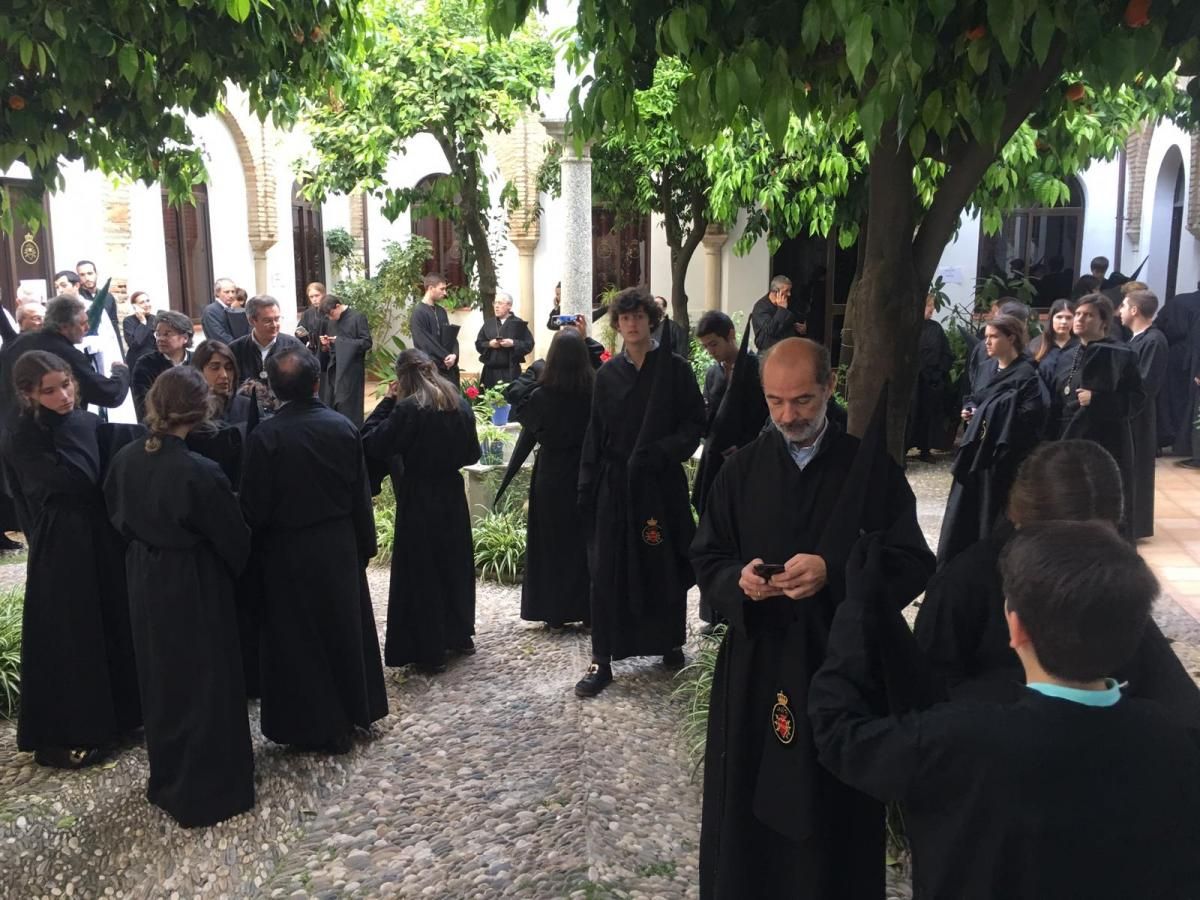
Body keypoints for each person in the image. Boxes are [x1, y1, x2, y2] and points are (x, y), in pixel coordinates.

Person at [810, 522, 1200, 900]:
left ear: (1015, 628)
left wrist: (857, 607)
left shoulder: (957, 739)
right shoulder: (1174, 741)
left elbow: (839, 734)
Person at [689, 337, 935, 899]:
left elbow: (913, 562)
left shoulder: (868, 471)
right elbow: (707, 555)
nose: (787, 416)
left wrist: (837, 572)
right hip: (759, 662)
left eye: (801, 400)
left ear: (829, 389)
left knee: (834, 808)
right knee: (752, 802)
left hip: (840, 662)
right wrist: (739, 581)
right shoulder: (742, 470)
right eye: (775, 402)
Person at [915, 440, 1200, 722]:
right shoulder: (966, 580)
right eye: (1057, 548)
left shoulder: (1110, 577)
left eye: (1093, 543)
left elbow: (1174, 698)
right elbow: (925, 688)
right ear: (1020, 521)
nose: (1073, 566)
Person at [103, 367, 254, 828]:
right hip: (194, 579)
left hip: (144, 575)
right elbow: (234, 537)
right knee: (206, 678)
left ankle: (168, 777)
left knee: (162, 676)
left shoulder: (127, 458)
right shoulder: (198, 470)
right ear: (200, 408)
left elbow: (114, 513)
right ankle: (210, 787)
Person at [240, 348, 387, 752]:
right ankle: (355, 709)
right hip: (337, 542)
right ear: (317, 383)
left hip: (287, 549)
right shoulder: (341, 427)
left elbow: (253, 506)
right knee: (342, 628)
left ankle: (314, 725)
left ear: (272, 388)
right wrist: (365, 543)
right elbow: (360, 493)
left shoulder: (266, 436)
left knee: (298, 639)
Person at [1, 350, 142, 769]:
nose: (64, 395)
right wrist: (84, 431)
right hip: (61, 542)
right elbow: (71, 479)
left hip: (99, 533)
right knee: (72, 633)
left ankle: (123, 716)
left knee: (111, 619)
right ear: (28, 394)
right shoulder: (22, 434)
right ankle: (75, 729)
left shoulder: (81, 420)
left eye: (67, 385)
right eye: (51, 390)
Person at [575, 288, 705, 698]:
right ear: (617, 325)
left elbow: (693, 424)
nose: (632, 324)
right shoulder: (608, 376)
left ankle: (669, 640)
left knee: (661, 561)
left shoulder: (676, 370)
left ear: (651, 320)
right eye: (624, 318)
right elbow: (595, 433)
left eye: (638, 317)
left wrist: (662, 452)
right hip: (616, 487)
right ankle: (603, 658)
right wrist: (587, 485)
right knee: (607, 570)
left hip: (658, 486)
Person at [361, 350, 481, 671]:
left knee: (423, 570)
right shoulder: (458, 403)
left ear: (401, 379)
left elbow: (371, 442)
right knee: (453, 563)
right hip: (452, 494)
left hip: (419, 494)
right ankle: (458, 635)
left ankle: (430, 649)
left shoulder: (409, 409)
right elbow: (473, 452)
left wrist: (386, 403)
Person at [936, 314, 1046, 566]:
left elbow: (1030, 416)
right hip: (975, 455)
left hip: (1001, 460)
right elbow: (975, 397)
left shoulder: (1027, 373)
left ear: (1011, 338)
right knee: (963, 516)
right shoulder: (986, 367)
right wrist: (970, 411)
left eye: (994, 337)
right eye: (986, 337)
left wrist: (992, 413)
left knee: (990, 515)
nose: (987, 342)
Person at [509, 330, 593, 630]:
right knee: (583, 541)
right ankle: (587, 610)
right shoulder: (593, 392)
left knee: (551, 542)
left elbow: (516, 399)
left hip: (553, 472)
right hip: (585, 470)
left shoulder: (541, 397)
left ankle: (554, 611)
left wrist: (537, 370)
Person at [1049, 293, 1144, 536]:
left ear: (1103, 322)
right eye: (1078, 314)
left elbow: (1136, 400)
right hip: (1068, 439)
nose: (1079, 319)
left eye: (1088, 315)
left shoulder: (1122, 355)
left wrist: (1099, 400)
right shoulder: (1067, 355)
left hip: (1105, 442)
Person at [0, 295, 130, 418]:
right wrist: (120, 371)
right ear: (65, 327)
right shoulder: (67, 354)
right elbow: (110, 394)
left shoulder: (19, 341)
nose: (87, 328)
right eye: (83, 323)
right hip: (51, 433)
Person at [1120, 289, 1168, 538]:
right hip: (1131, 413)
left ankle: (1136, 524)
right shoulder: (1136, 339)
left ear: (1135, 310)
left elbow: (1145, 384)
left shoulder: (1153, 340)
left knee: (1137, 467)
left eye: (1124, 306)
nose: (1120, 311)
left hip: (1138, 415)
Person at [228, 295, 305, 417]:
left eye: (277, 319)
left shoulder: (294, 347)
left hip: (287, 415)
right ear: (252, 320)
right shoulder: (235, 349)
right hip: (246, 415)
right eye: (268, 320)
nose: (275, 325)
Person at [906, 294, 952, 462]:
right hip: (912, 383)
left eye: (932, 306)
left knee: (928, 416)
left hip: (931, 381)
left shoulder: (936, 328)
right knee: (910, 416)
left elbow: (945, 353)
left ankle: (925, 448)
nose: (932, 310)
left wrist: (939, 373)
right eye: (929, 306)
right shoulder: (908, 329)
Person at [317, 293, 373, 426]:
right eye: (328, 316)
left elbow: (366, 343)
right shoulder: (331, 321)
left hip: (351, 370)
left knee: (348, 407)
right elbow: (332, 349)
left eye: (331, 314)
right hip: (334, 369)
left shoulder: (357, 317)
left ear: (337, 306)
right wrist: (326, 345)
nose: (330, 318)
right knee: (331, 403)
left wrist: (340, 342)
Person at [131, 310, 193, 421]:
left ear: (185, 338)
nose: (160, 339)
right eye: (158, 334)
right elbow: (143, 405)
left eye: (167, 334)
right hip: (160, 426)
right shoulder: (145, 364)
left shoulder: (197, 360)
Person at [474, 291, 533, 388]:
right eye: (495, 303)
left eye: (500, 303)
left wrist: (513, 343)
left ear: (509, 306)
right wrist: (490, 344)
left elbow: (529, 344)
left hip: (510, 372)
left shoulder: (518, 323)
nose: (496, 306)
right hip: (490, 373)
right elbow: (479, 344)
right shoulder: (489, 323)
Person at [409, 272, 460, 385]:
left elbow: (450, 337)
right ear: (431, 288)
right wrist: (445, 357)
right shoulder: (418, 313)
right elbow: (424, 343)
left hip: (447, 366)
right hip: (430, 370)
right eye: (442, 289)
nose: (445, 293)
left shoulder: (441, 311)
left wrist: (454, 355)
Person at [193, 340, 257, 428]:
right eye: (215, 368)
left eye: (229, 368)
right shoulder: (190, 411)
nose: (224, 375)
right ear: (199, 371)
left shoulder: (248, 407)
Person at [1030, 297, 1077, 392]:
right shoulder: (1037, 344)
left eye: (1068, 318)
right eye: (1059, 317)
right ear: (1051, 319)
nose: (1064, 322)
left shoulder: (1080, 345)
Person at [749, 275, 803, 353]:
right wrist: (782, 310)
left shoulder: (789, 303)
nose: (789, 294)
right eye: (786, 290)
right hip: (768, 353)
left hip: (787, 350)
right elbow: (771, 329)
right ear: (776, 291)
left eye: (790, 290)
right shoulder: (761, 307)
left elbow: (793, 320)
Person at [122, 291, 157, 370]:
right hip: (137, 364)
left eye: (147, 301)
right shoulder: (128, 321)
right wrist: (143, 322)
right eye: (142, 302)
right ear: (135, 306)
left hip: (154, 362)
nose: (147, 304)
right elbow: (135, 344)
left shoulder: (156, 319)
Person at [201, 278, 238, 345]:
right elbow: (219, 337)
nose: (231, 295)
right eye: (227, 292)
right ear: (217, 293)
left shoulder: (233, 309)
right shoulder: (211, 311)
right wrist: (240, 345)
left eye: (233, 292)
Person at [295, 281, 326, 354]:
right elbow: (300, 334)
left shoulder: (331, 311)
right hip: (314, 352)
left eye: (317, 295)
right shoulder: (308, 314)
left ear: (324, 294)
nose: (314, 299)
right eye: (311, 297)